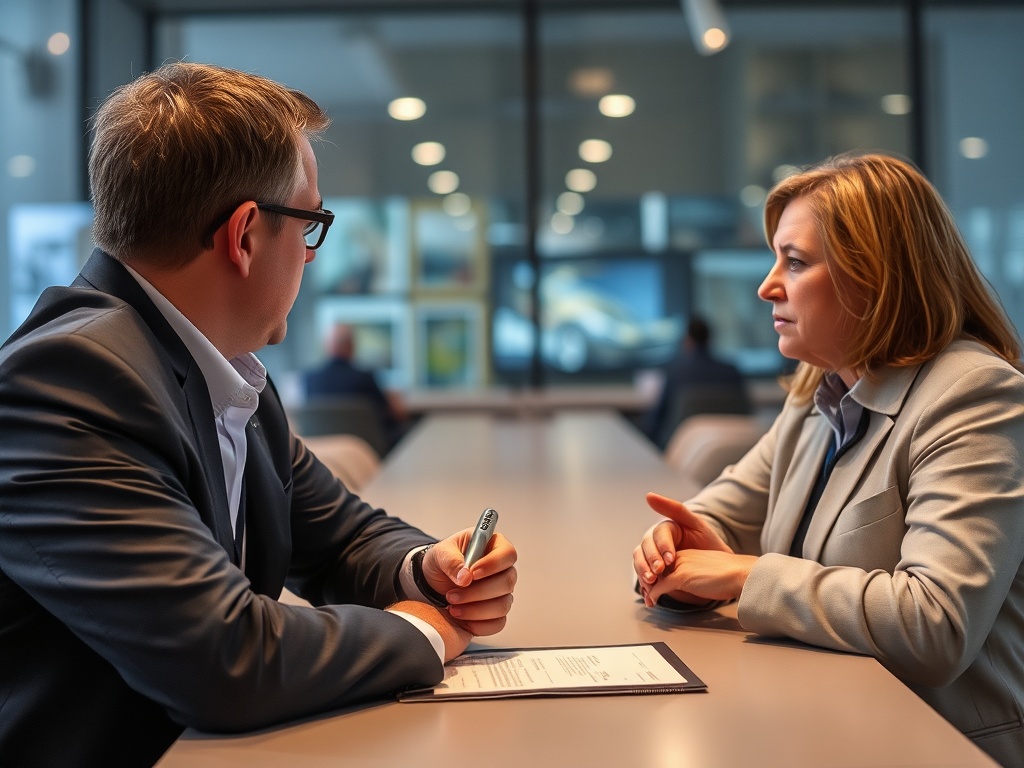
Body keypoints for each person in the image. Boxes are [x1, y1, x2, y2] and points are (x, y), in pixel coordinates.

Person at [0, 62, 517, 768]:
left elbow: (337, 537)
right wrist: (423, 633)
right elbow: (224, 660)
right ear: (245, 235)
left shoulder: (224, 370)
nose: (310, 255)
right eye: (311, 225)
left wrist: (429, 569)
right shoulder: (66, 381)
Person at [632, 152, 1024, 767]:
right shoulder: (822, 385)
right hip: (829, 725)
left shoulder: (974, 395)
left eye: (794, 261)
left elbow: (936, 626)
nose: (767, 285)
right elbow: (724, 510)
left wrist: (740, 574)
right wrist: (672, 543)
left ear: (876, 275)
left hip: (937, 746)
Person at [641, 314, 752, 449]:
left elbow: (657, 419)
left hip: (683, 450)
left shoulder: (675, 370)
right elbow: (747, 414)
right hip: (730, 447)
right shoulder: (731, 371)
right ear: (709, 339)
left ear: (687, 340)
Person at [303, 322, 410, 452]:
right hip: (367, 451)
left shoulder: (310, 379)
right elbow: (390, 416)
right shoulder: (365, 378)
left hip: (325, 452)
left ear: (327, 346)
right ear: (351, 345)